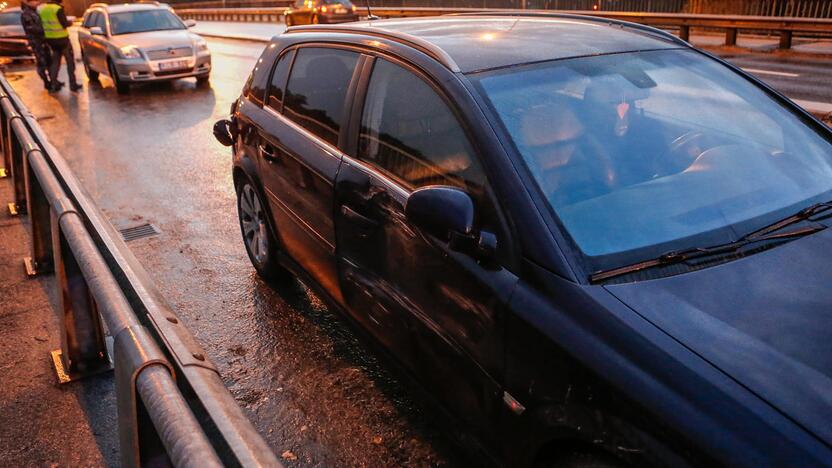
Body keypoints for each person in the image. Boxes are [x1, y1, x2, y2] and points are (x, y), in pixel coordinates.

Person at [38, 0, 81, 92]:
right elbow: (64, 24)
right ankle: (73, 85)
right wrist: (70, 22)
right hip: (63, 40)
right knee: (70, 62)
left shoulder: (42, 9)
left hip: (51, 40)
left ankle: (53, 84)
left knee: (55, 62)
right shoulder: (57, 9)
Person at [20, 0, 52, 90]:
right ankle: (46, 82)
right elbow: (31, 28)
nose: (37, 3)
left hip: (42, 41)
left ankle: (52, 81)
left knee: (49, 60)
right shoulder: (26, 14)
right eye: (35, 1)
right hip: (36, 42)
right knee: (41, 63)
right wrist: (44, 29)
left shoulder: (34, 11)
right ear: (28, 2)